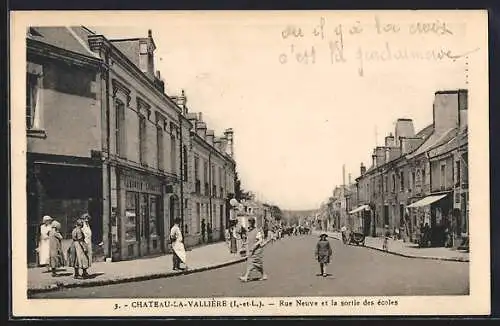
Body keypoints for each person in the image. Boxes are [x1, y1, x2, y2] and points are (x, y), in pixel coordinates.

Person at [239, 217, 268, 282]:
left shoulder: (257, 231)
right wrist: (244, 244)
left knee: (251, 263)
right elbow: (249, 240)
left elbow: (260, 240)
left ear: (252, 223)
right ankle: (263, 275)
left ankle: (246, 277)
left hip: (257, 250)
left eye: (250, 223)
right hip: (251, 250)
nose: (248, 224)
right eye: (248, 223)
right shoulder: (249, 231)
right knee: (257, 264)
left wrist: (254, 246)